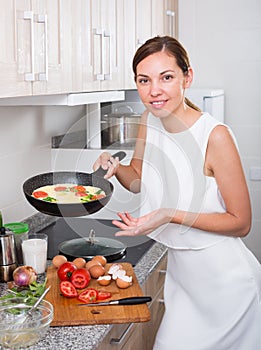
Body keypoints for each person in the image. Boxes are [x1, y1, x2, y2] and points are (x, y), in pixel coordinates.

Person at [93, 36, 261, 350]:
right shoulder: (149, 121)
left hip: (226, 286)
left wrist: (169, 214)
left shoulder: (215, 136)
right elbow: (138, 180)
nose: (154, 90)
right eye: (144, 80)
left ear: (187, 77)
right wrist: (116, 169)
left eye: (166, 77)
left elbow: (241, 223)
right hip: (183, 283)